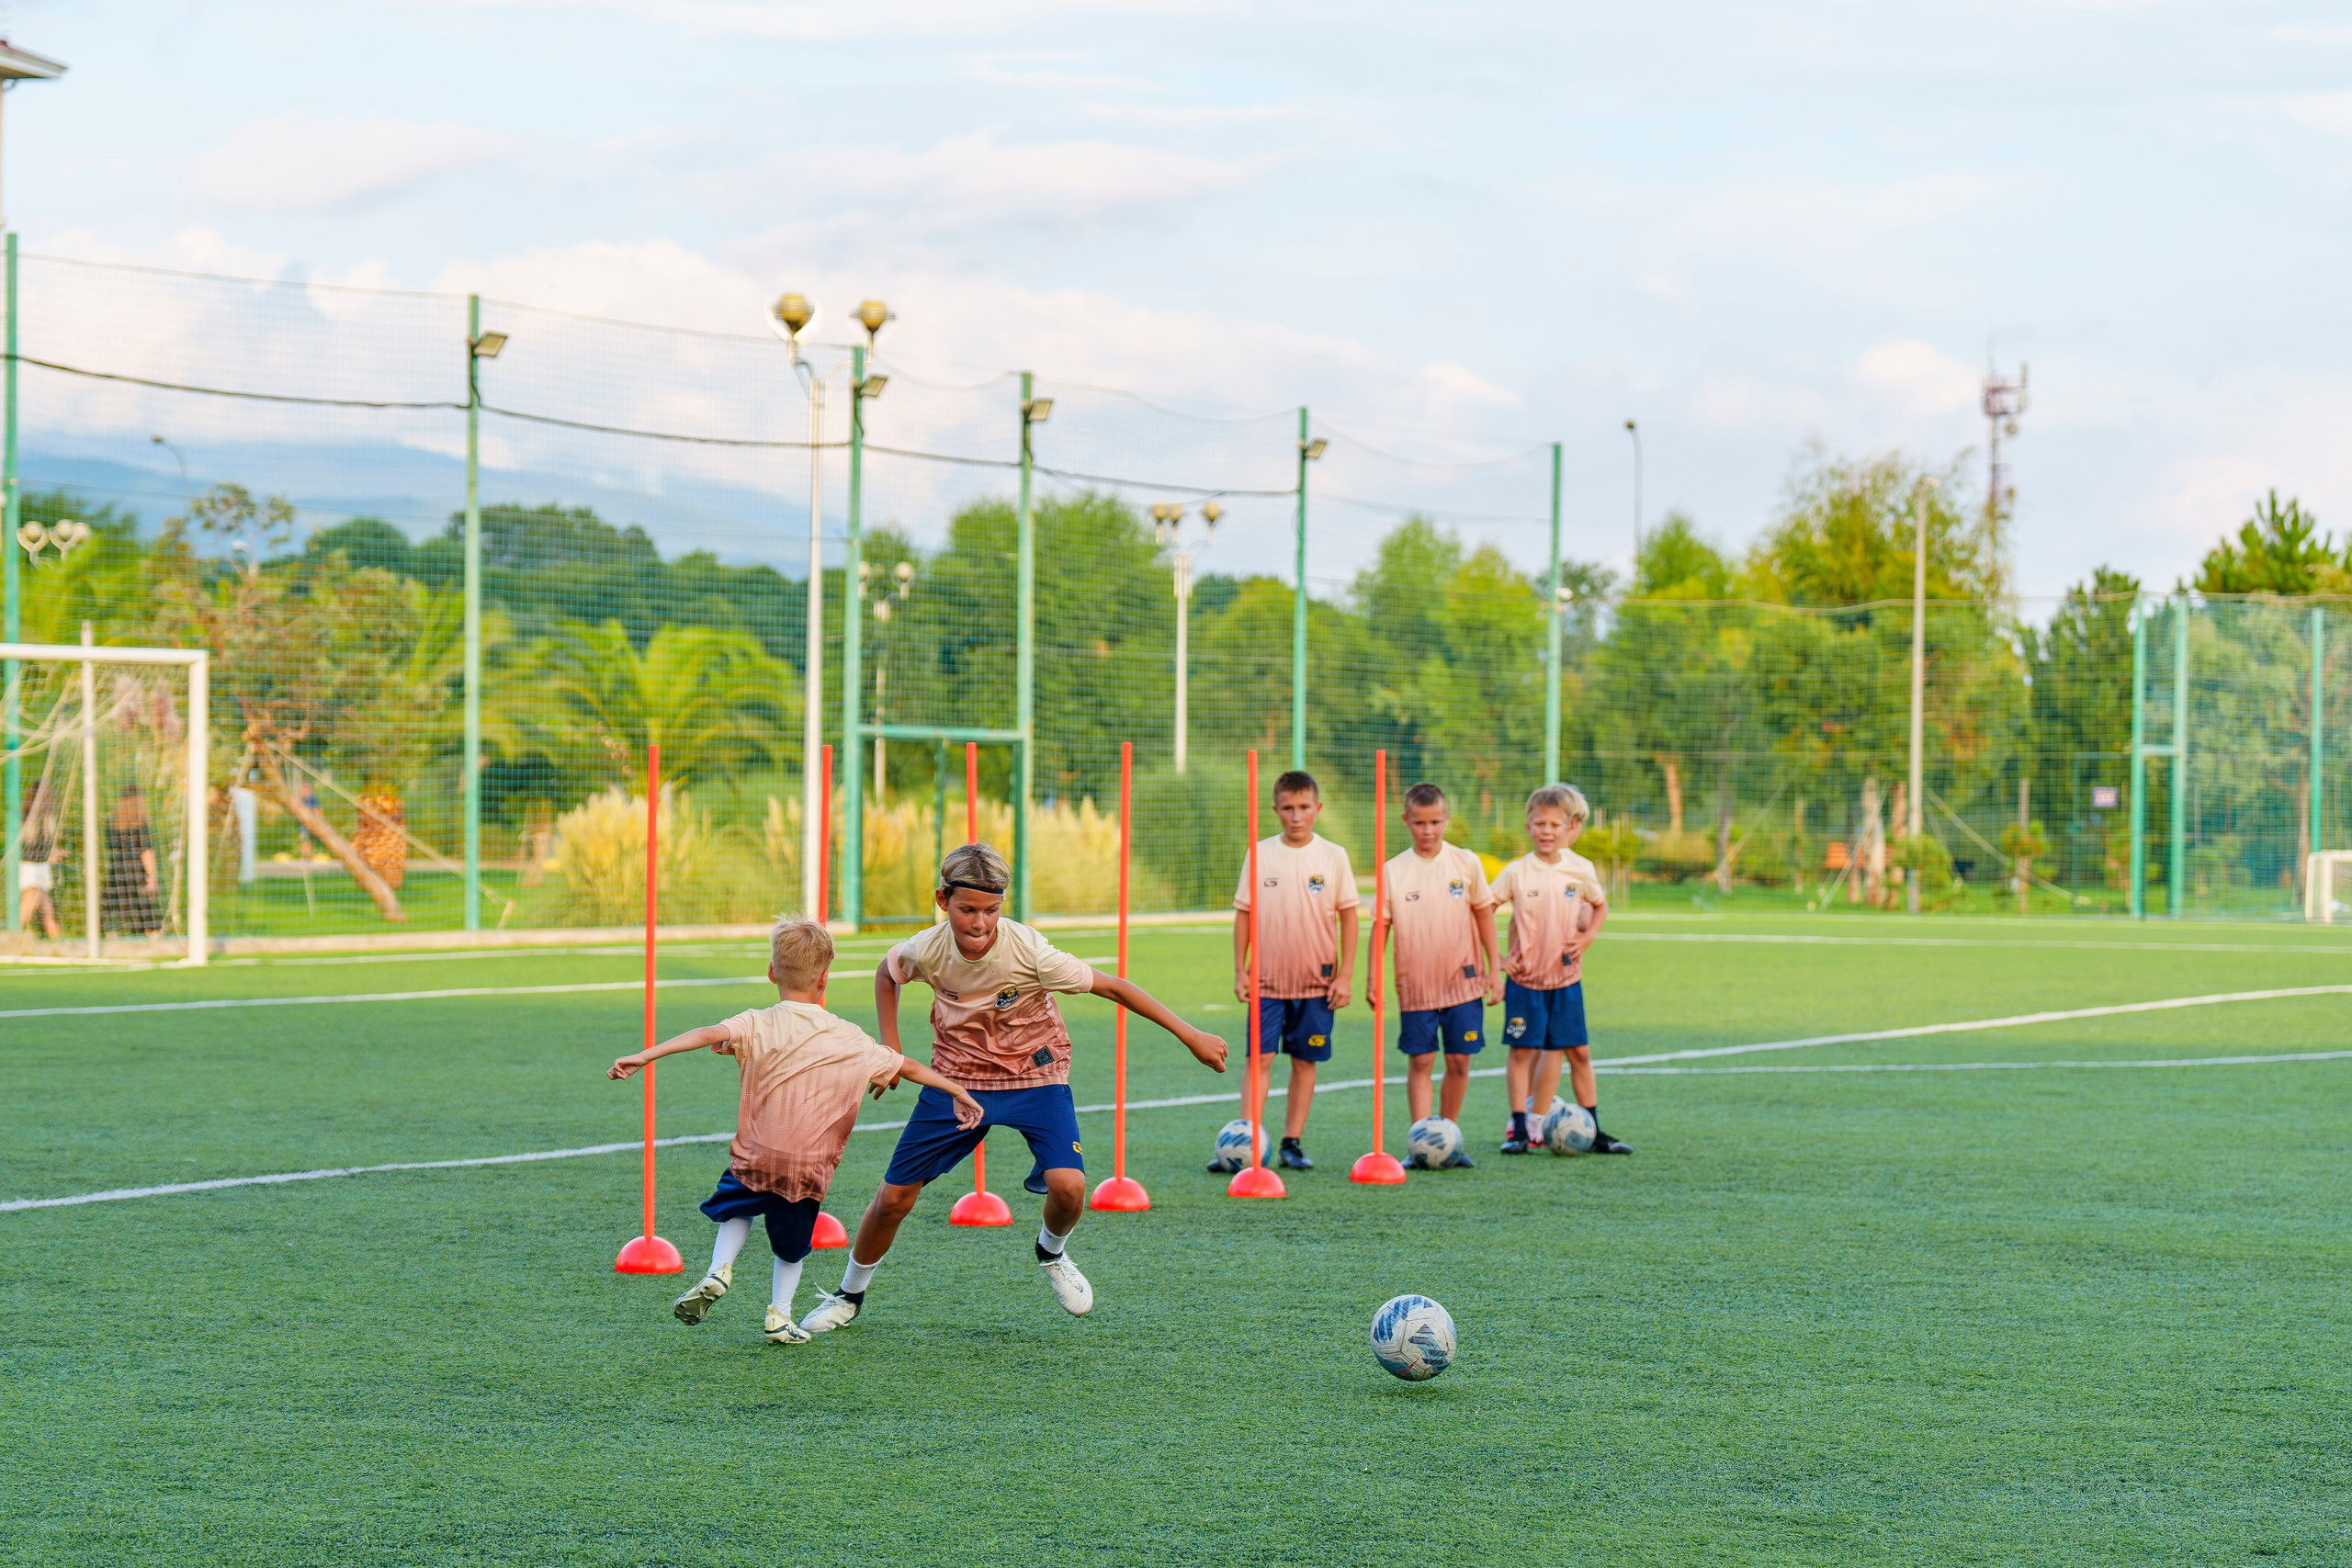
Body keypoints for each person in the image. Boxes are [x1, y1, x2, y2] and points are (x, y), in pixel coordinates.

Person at [804, 841, 1229, 1333]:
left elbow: (1113, 986)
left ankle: (1051, 1253)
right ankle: (847, 1296)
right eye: (967, 910)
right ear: (943, 900)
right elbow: (887, 974)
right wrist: (892, 1051)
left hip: (1036, 1074)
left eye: (991, 910)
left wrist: (1191, 1035)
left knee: (1070, 1189)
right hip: (958, 1078)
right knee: (894, 1198)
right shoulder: (926, 948)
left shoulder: (1029, 950)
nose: (980, 923)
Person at [606, 918, 986, 1345]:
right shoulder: (852, 1039)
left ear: (772, 973)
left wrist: (645, 1055)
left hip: (757, 1154)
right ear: (825, 979)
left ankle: (719, 1270)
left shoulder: (755, 1022)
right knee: (792, 1249)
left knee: (738, 1206)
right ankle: (779, 1317)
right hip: (808, 1168)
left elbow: (707, 1033)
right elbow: (910, 1067)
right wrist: (958, 1089)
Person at [1225, 768, 1359, 1173]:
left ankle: (1292, 1142)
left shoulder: (1333, 856)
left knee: (1304, 1060)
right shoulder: (1260, 852)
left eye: (1304, 807)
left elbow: (1350, 917)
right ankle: (1247, 1141)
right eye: (1287, 808)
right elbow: (1244, 915)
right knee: (1259, 1059)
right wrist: (1240, 970)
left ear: (1318, 808)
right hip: (1267, 981)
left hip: (1316, 983)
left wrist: (1346, 975)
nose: (1296, 816)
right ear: (1275, 810)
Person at [1492, 784, 1632, 1155]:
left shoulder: (1580, 868)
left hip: (1567, 980)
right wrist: (1497, 959)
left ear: (1568, 827)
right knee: (1522, 1052)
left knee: (1579, 1053)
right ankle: (1520, 1130)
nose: (1546, 831)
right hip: (1525, 982)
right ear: (1528, 826)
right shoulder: (1517, 871)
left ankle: (1595, 1129)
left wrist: (1588, 939)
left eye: (1555, 824)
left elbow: (1600, 906)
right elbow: (1482, 910)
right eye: (1539, 824)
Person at [1373, 782, 1499, 1168]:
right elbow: (1381, 927)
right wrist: (1372, 977)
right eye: (1419, 823)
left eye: (1435, 822)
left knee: (1460, 1060)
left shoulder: (1466, 863)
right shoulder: (1393, 871)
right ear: (1406, 821)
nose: (1428, 831)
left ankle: (1448, 1138)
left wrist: (1495, 968)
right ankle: (1420, 1142)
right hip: (1415, 985)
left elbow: (1484, 914)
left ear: (1447, 819)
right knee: (1422, 1060)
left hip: (1463, 981)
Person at [102, 784, 163, 937]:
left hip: (117, 872)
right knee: (145, 912)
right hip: (136, 872)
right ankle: (152, 936)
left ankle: (112, 934)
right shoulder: (140, 826)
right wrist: (152, 877)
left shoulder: (112, 824)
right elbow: (146, 852)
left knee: (116, 908)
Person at [17, 783, 62, 941]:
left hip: (43, 868)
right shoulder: (28, 819)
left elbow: (47, 847)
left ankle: (57, 943)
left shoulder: (48, 821)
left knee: (47, 908)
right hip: (30, 868)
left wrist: (54, 853)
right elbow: (29, 847)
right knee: (30, 904)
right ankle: (12, 937)